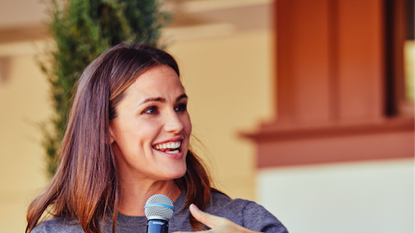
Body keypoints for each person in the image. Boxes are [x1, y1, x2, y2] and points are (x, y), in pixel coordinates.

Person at [26, 44, 288, 233]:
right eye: (151, 110)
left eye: (180, 106)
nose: (176, 125)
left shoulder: (242, 221)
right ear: (105, 128)